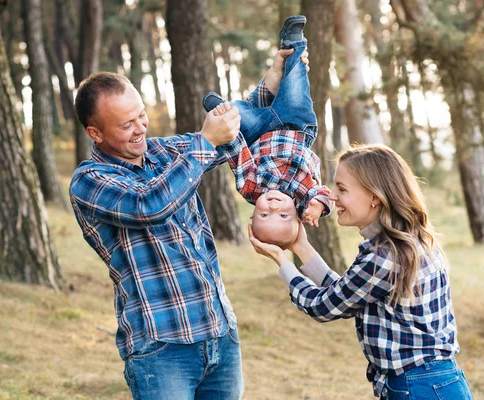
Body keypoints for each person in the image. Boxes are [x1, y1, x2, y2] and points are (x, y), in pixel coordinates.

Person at [68, 16, 308, 399]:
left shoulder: (164, 152)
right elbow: (150, 205)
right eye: (126, 124)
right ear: (95, 133)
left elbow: (236, 130)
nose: (141, 128)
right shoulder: (88, 180)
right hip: (161, 349)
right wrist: (205, 141)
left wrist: (274, 83)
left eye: (141, 115)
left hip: (219, 334)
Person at [249, 144, 474, 399]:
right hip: (432, 382)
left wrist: (282, 262)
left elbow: (324, 306)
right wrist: (300, 246)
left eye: (342, 189)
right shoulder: (403, 242)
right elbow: (347, 293)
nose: (332, 197)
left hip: (419, 386)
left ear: (374, 197)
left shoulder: (385, 256)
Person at [203, 15, 331, 250]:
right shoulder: (302, 194)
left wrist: (225, 119)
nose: (274, 207)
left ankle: (223, 108)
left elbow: (237, 152)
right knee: (295, 81)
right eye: (283, 216)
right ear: (297, 216)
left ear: (252, 217)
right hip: (297, 125)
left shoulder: (250, 187)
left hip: (259, 131)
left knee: (240, 116)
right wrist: (318, 206)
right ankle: (294, 42)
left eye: (264, 216)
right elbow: (322, 192)